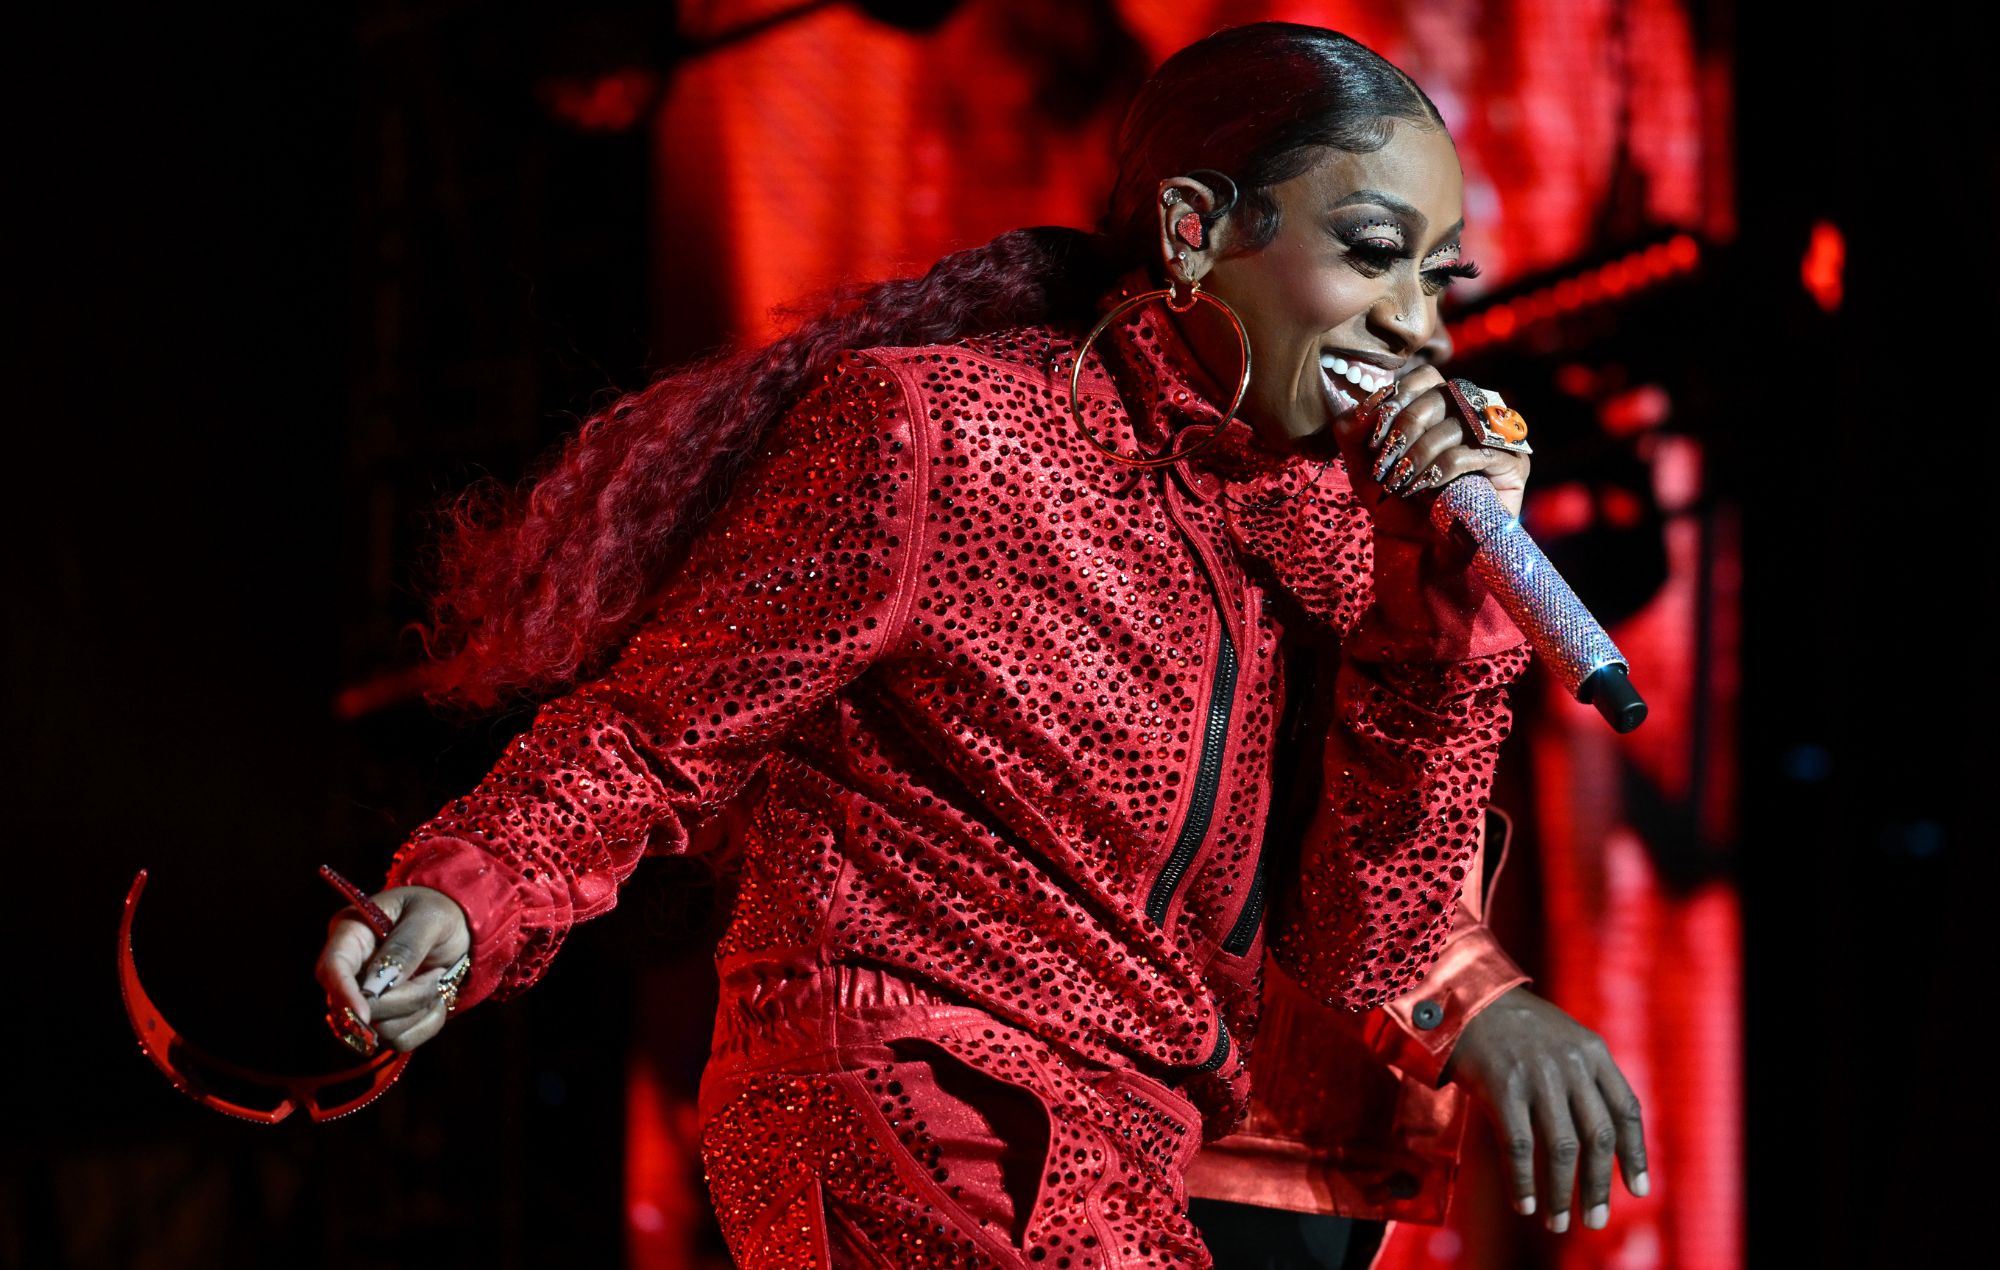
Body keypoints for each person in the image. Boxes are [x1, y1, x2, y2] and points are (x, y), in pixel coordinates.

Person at [314, 22, 1645, 1268]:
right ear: (1193, 233)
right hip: (906, 1085)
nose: (1419, 325)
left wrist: (1443, 626)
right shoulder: (943, 436)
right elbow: (656, 729)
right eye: (1370, 251)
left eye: (1438, 274)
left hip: (1139, 1133)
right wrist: (467, 894)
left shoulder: (1343, 538)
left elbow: (1369, 947)